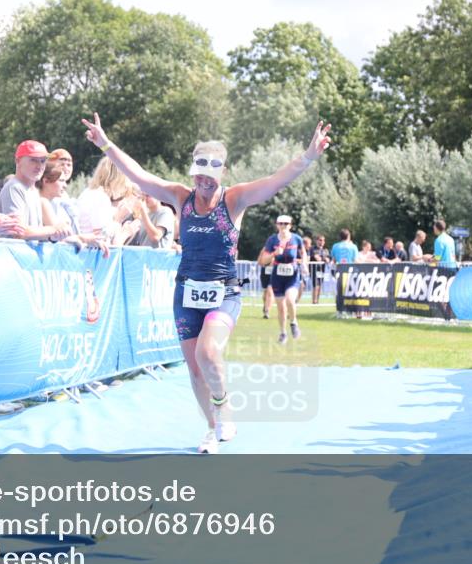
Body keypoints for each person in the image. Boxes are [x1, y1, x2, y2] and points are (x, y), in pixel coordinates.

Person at [81, 112, 331, 454]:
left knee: (209, 352)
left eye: (211, 176)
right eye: (199, 175)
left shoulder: (235, 199)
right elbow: (138, 174)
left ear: (222, 174)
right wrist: (105, 143)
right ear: (193, 173)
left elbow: (276, 180)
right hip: (186, 292)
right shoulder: (180, 197)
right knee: (195, 369)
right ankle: (213, 428)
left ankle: (223, 404)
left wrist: (308, 157)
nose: (204, 183)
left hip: (224, 292)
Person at [0, 140, 74, 241]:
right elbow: (19, 232)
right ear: (18, 161)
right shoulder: (14, 187)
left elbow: (34, 233)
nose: (39, 166)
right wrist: (54, 230)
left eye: (43, 161)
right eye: (33, 160)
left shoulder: (33, 191)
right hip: (13, 255)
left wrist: (64, 236)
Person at [258, 215, 306, 344]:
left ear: (290, 225)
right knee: (281, 307)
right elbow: (263, 261)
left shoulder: (297, 239)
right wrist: (274, 254)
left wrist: (305, 265)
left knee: (290, 300)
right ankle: (283, 333)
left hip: (293, 275)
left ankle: (294, 322)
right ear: (277, 225)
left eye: (286, 224)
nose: (283, 226)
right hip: (277, 276)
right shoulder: (272, 240)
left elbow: (303, 253)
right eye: (281, 223)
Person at [39, 149, 79, 232]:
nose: (65, 168)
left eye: (69, 165)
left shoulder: (63, 195)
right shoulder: (44, 199)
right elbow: (58, 233)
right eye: (62, 164)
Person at [307, 233, 331, 304]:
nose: (322, 242)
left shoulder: (326, 250)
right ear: (317, 241)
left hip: (322, 270)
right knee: (316, 285)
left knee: (320, 285)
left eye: (323, 240)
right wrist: (323, 258)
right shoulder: (312, 249)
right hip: (314, 270)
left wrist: (325, 259)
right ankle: (314, 301)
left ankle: (317, 301)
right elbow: (316, 258)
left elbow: (328, 259)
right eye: (320, 240)